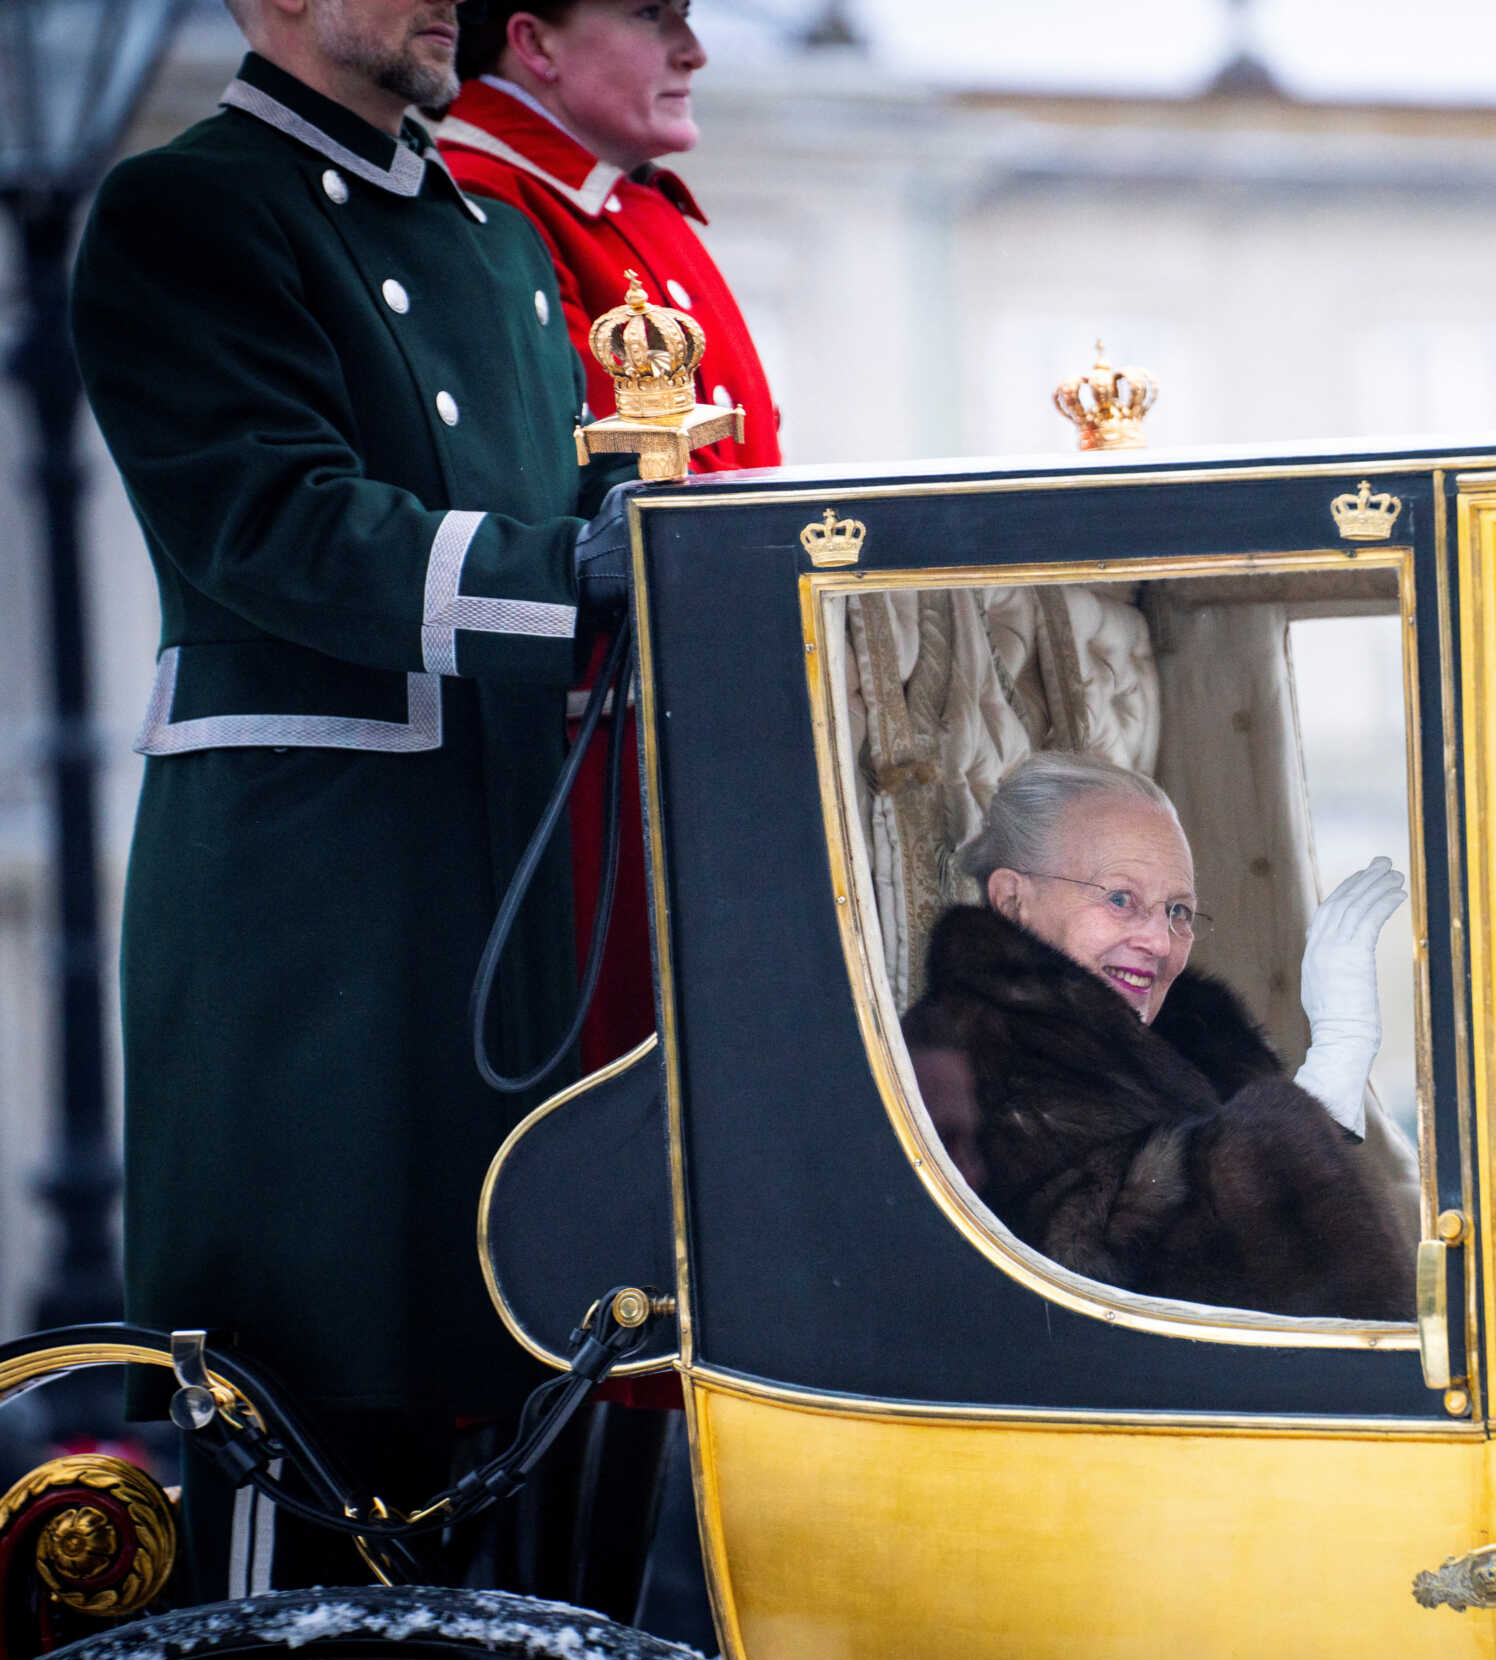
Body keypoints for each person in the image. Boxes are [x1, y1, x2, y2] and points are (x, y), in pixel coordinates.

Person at [70, 0, 630, 1594]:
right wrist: (568, 573)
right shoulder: (192, 207)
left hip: (499, 889)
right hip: (312, 925)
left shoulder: (501, 246)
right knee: (298, 1407)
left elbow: (555, 505)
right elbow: (277, 521)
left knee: (497, 1401)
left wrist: (640, 532)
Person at [438, 0, 780, 1071]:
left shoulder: (609, 203)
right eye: (649, 15)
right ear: (533, 41)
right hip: (588, 745)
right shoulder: (483, 199)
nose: (694, 49)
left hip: (683, 731)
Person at [900, 753, 1416, 1320]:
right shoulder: (967, 1053)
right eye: (1120, 900)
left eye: (1179, 911)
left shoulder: (1182, 1035)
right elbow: (1107, 1275)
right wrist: (1332, 1070)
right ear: (1012, 901)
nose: (1161, 941)